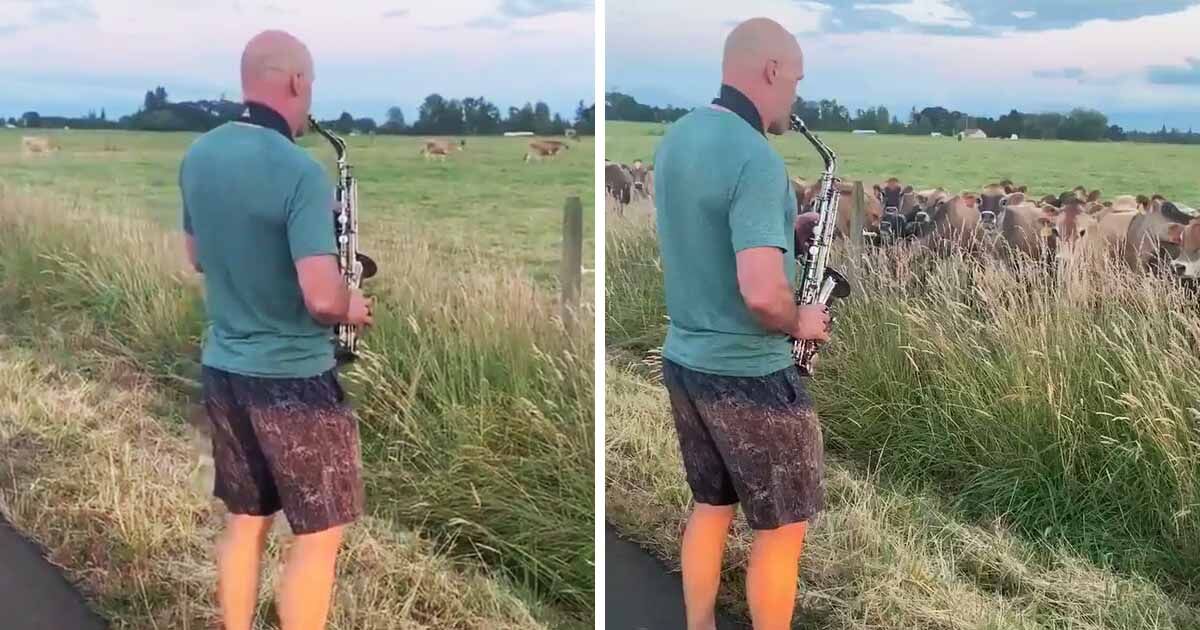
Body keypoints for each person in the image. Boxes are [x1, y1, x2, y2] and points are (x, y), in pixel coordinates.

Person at [178, 29, 374, 630]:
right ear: (294, 81)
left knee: (246, 521)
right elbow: (320, 297)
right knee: (319, 535)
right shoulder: (298, 171)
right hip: (293, 379)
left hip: (224, 370)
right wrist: (354, 306)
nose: (309, 97)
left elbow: (199, 258)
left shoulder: (198, 156)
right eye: (309, 85)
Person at [651, 17, 830, 630]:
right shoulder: (756, 158)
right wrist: (802, 320)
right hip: (750, 376)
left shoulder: (679, 136)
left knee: (710, 507)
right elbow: (761, 295)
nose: (796, 98)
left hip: (685, 363)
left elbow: (709, 231)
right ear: (772, 70)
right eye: (797, 81)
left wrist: (786, 233)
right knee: (782, 532)